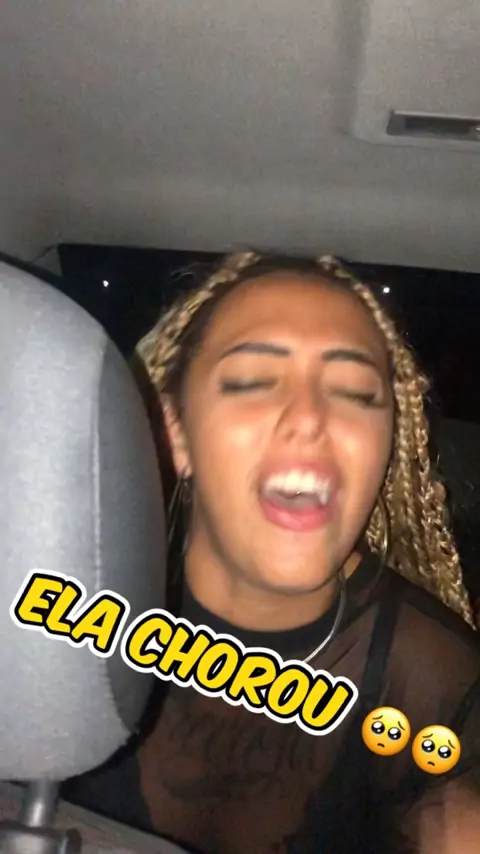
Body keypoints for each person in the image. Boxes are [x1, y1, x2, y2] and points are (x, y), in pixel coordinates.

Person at [62, 252, 480, 853]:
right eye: (251, 382)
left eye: (355, 392)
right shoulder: (63, 603)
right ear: (175, 432)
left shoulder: (432, 679)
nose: (308, 418)